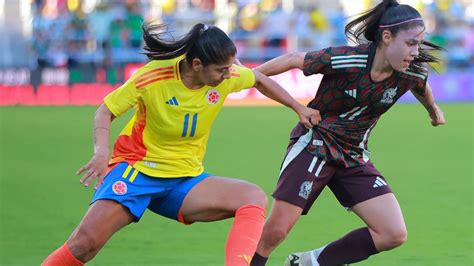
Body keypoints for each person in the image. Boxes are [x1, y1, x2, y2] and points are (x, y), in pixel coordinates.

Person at [42, 22, 320, 266]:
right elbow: (105, 110)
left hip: (184, 180)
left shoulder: (224, 77)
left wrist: (298, 107)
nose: (229, 75)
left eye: (230, 68)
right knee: (84, 244)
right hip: (137, 171)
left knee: (252, 197)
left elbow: (258, 78)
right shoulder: (153, 76)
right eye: (221, 70)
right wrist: (101, 153)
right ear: (197, 65)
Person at [249, 1, 446, 265]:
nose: (416, 51)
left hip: (353, 155)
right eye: (411, 43)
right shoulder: (347, 59)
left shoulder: (410, 72)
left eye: (419, 43)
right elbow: (294, 59)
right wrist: (253, 75)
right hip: (315, 145)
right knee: (275, 232)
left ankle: (307, 262)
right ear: (386, 37)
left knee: (392, 233)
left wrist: (433, 111)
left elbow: (422, 87)